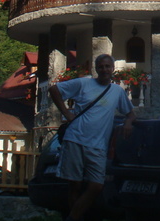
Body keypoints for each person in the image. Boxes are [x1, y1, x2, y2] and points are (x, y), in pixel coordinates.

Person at [49, 54, 136, 221]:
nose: (104, 70)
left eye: (107, 66)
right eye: (101, 66)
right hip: (75, 138)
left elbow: (130, 113)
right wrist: (66, 113)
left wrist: (128, 123)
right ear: (96, 69)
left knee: (96, 185)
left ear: (113, 69)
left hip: (98, 145)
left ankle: (72, 217)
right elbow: (54, 90)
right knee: (74, 184)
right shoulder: (84, 83)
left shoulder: (117, 91)